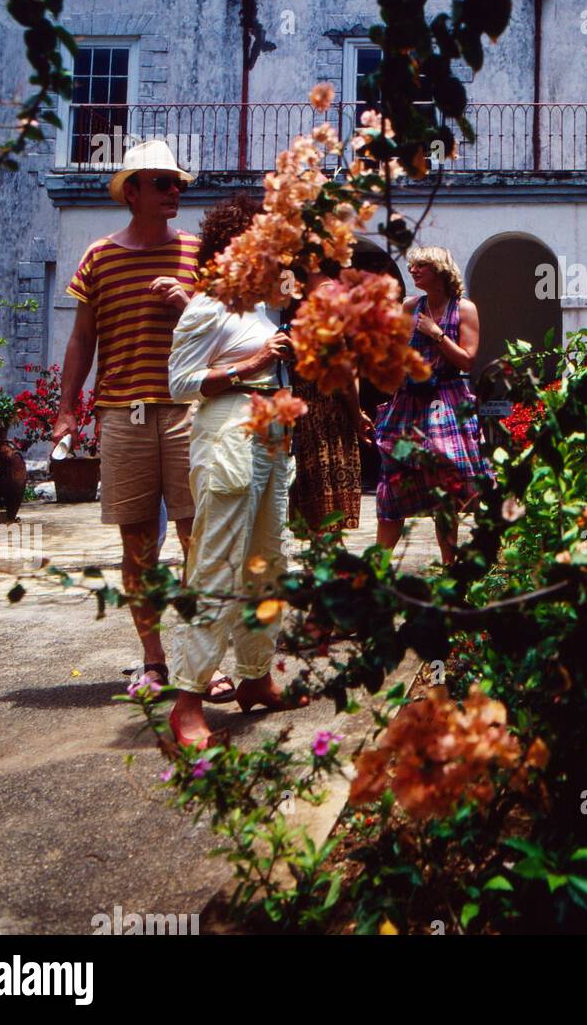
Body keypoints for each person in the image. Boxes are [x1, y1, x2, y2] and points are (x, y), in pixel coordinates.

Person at [50, 139, 233, 702]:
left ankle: (198, 665)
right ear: (132, 191)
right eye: (162, 182)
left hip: (186, 411)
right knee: (137, 544)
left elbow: (229, 330)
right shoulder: (99, 257)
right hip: (122, 414)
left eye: (179, 183)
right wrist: (65, 410)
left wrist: (190, 303)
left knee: (195, 539)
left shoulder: (198, 256)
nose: (176, 190)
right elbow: (83, 339)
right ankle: (153, 661)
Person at [163, 196, 307, 750]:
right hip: (229, 430)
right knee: (219, 562)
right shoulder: (207, 304)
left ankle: (254, 677)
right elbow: (179, 383)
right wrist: (252, 365)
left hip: (270, 430)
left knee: (269, 560)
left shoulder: (256, 307)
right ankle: (188, 701)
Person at [374, 246, 494, 567]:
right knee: (393, 483)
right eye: (412, 267)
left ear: (439, 271)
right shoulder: (409, 307)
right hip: (408, 402)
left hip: (447, 397)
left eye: (421, 266)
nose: (413, 271)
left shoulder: (463, 309)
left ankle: (450, 567)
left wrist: (436, 334)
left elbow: (468, 359)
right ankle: (376, 570)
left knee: (447, 481)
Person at [287, 267, 373, 534]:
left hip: (324, 408)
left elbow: (344, 368)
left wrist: (355, 413)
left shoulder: (325, 301)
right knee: (321, 499)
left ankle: (328, 561)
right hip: (316, 406)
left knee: (324, 498)